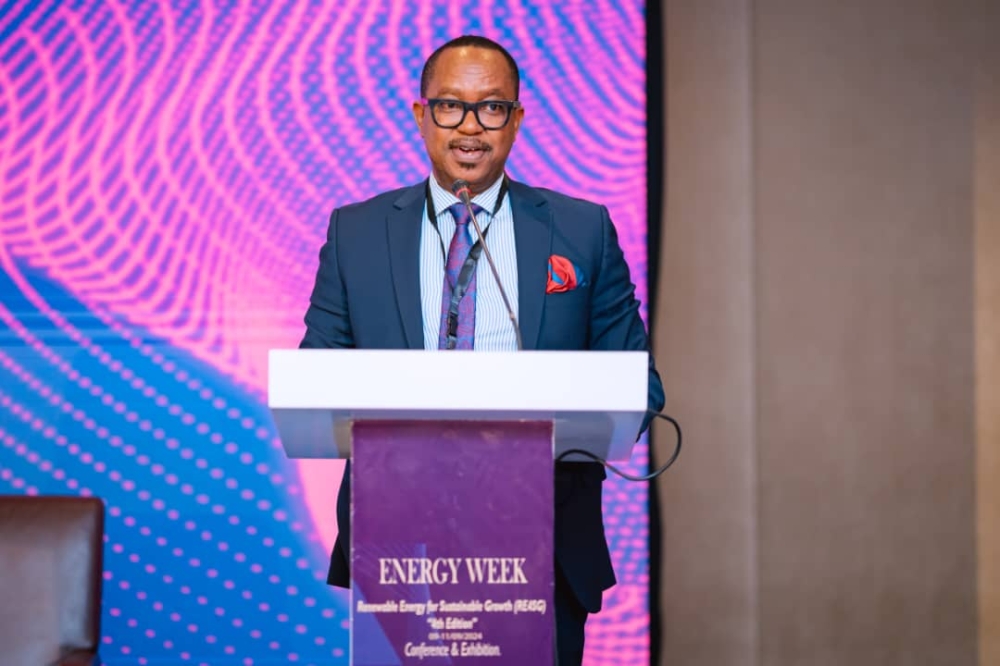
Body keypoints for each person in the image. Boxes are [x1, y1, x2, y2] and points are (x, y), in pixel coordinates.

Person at [299, 34, 664, 666]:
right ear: (421, 116)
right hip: (398, 550)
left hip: (543, 549)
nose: (470, 127)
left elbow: (641, 388)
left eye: (491, 108)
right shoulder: (355, 231)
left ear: (516, 119)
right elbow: (317, 379)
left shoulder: (581, 230)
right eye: (450, 106)